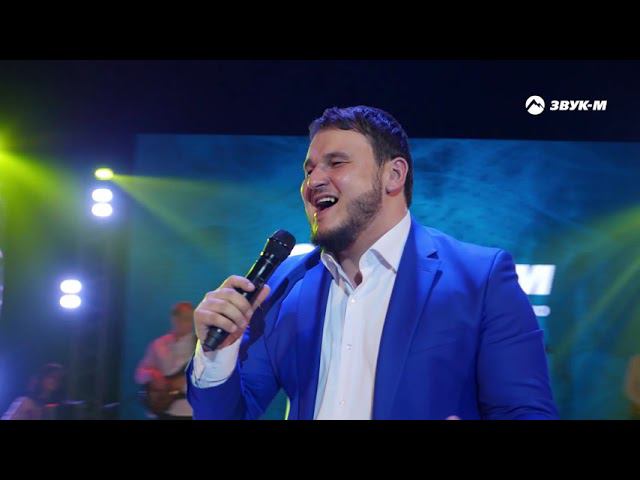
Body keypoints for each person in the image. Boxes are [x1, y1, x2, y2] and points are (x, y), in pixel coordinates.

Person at [187, 105, 558, 420]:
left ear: (393, 175)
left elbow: (525, 411)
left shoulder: (480, 278)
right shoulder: (286, 283)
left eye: (336, 163)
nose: (314, 181)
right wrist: (217, 353)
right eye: (309, 170)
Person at [135, 301, 196, 419]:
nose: (185, 322)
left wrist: (184, 383)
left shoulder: (201, 347)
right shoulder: (158, 344)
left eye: (189, 318)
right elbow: (139, 375)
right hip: (162, 410)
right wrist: (153, 375)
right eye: (181, 317)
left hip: (190, 411)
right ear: (174, 318)